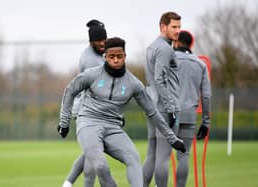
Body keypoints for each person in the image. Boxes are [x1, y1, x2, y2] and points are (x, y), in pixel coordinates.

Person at [57, 37, 186, 187]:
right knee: (101, 166)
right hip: (88, 123)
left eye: (119, 56)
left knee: (133, 158)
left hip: (113, 127)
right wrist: (64, 121)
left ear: (125, 56)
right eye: (112, 57)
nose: (116, 60)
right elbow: (70, 90)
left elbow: (152, 112)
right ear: (105, 57)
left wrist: (172, 138)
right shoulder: (91, 75)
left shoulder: (134, 84)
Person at [62, 19, 107, 187]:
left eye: (104, 40)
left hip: (94, 110)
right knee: (93, 155)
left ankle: (68, 183)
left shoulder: (98, 54)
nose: (103, 44)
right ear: (91, 41)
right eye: (99, 41)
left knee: (90, 152)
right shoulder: (91, 60)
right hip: (86, 111)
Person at [142, 11, 181, 187]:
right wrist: (171, 108)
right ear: (163, 27)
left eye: (179, 27)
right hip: (164, 108)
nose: (178, 30)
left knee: (152, 154)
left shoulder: (151, 47)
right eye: (174, 27)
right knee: (163, 156)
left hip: (151, 104)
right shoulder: (165, 48)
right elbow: (160, 79)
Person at [173, 30, 211, 187]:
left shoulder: (168, 59)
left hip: (168, 114)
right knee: (184, 155)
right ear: (191, 44)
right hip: (189, 114)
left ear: (176, 42)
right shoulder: (200, 64)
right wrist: (206, 122)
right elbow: (207, 96)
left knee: (160, 155)